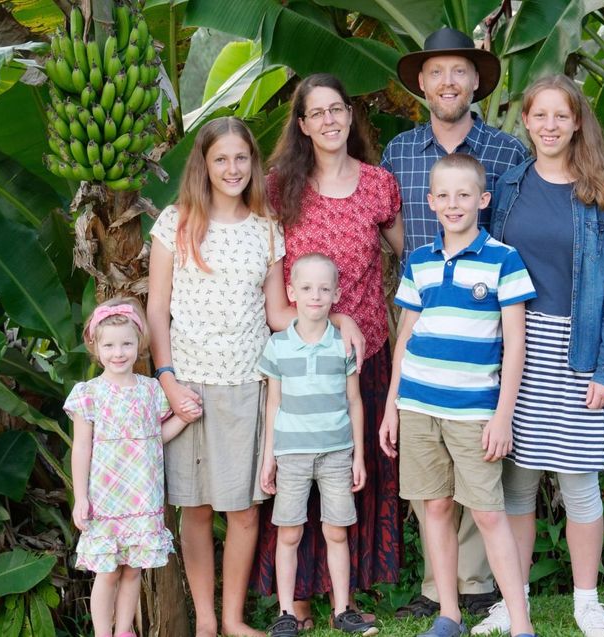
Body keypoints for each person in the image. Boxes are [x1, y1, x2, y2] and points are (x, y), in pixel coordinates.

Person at [381, 27, 527, 619]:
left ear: (475, 82)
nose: (448, 82)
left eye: (459, 72)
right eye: (437, 72)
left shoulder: (506, 152)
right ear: (421, 83)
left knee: (478, 469)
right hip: (419, 300)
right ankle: (440, 596)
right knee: (432, 478)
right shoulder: (399, 152)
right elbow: (390, 230)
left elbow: (517, 228)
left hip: (485, 303)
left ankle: (474, 586)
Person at [252, 73, 402, 628]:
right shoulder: (278, 187)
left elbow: (407, 252)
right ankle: (299, 600)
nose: (330, 121)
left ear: (350, 115)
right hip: (301, 354)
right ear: (302, 124)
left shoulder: (378, 185)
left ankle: (348, 596)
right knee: (299, 473)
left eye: (337, 109)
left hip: (366, 357)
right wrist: (333, 314)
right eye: (317, 113)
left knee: (349, 476)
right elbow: (268, 278)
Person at [487, 74, 604, 637]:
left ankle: (586, 601)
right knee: (517, 483)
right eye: (539, 115)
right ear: (525, 121)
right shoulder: (507, 187)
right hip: (516, 348)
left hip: (578, 349)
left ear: (577, 123)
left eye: (560, 116)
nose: (549, 126)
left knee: (578, 482)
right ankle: (513, 598)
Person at [147, 116, 286, 637]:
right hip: (188, 386)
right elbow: (156, 310)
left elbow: (277, 314)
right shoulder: (175, 223)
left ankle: (233, 620)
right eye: (221, 159)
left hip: (249, 385)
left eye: (242, 158)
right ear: (203, 165)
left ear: (254, 163)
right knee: (198, 510)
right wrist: (167, 380)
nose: (233, 168)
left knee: (245, 511)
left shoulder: (267, 231)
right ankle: (205, 622)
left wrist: (333, 318)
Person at [259, 254, 378, 637]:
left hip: (336, 452)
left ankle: (343, 609)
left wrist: (359, 456)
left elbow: (354, 401)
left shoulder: (340, 345)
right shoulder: (278, 346)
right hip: (291, 454)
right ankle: (285, 613)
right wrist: (268, 460)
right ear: (291, 292)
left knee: (337, 530)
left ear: (336, 293)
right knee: (289, 532)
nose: (316, 296)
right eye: (307, 288)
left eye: (325, 289)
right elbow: (273, 404)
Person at [67, 297, 191, 637]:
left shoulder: (151, 390)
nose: (118, 352)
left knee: (134, 570)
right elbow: (81, 448)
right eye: (109, 345)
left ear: (140, 344)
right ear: (95, 347)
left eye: (126, 344)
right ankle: (102, 633)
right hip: (106, 498)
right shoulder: (89, 394)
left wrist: (184, 418)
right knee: (108, 572)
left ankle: (124, 630)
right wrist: (81, 498)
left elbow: (155, 437)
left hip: (142, 497)